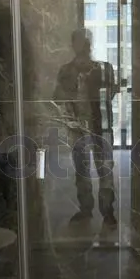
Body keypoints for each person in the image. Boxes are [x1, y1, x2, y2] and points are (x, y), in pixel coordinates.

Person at [54, 28, 118, 229]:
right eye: (81, 42)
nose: (85, 46)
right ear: (73, 45)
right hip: (78, 129)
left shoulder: (104, 69)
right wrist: (69, 113)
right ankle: (86, 209)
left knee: (105, 170)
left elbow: (110, 94)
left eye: (87, 42)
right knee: (82, 171)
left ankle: (108, 211)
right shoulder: (66, 71)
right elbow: (57, 98)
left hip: (101, 127)